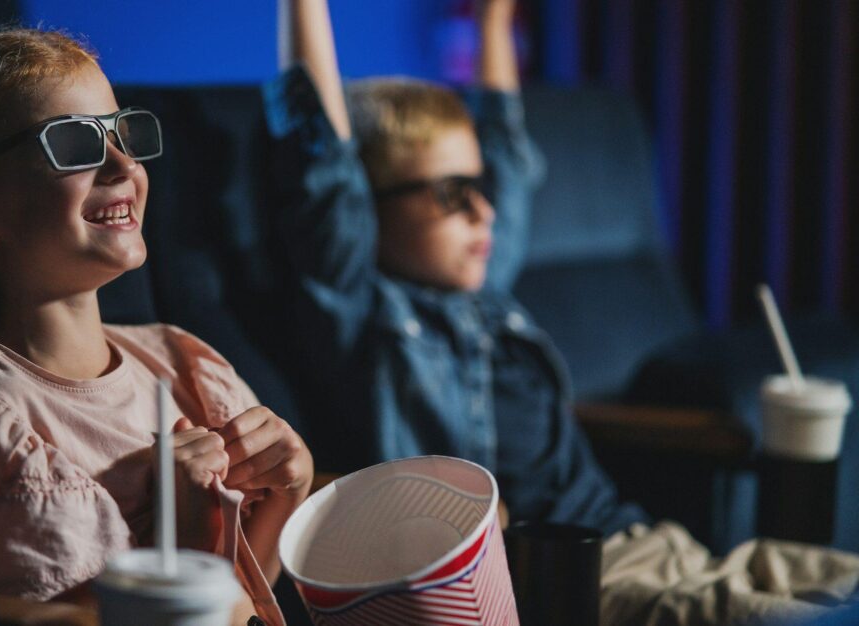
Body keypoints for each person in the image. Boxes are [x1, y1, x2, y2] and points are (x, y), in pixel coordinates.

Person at [264, 0, 859, 624]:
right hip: (563, 577)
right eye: (450, 193)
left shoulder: (483, 291)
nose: (483, 211)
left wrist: (493, 22)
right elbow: (319, 163)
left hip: (649, 541)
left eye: (480, 188)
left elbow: (506, 151)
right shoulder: (364, 309)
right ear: (369, 209)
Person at [0, 28, 311, 624]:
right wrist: (180, 550)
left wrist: (286, 493)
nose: (123, 165)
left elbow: (246, 595)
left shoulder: (182, 362)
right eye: (72, 142)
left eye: (121, 133)